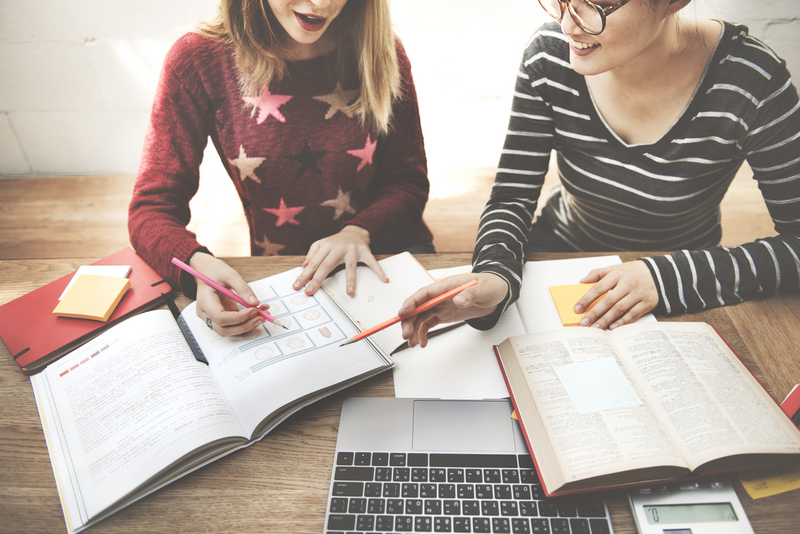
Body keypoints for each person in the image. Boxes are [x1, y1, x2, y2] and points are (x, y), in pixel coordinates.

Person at [400, 0, 800, 347]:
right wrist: (495, 275)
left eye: (597, 4)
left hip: (684, 274)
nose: (568, 23)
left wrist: (662, 278)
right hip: (559, 255)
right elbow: (512, 196)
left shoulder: (753, 81)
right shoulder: (550, 57)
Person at [129, 0, 433, 337]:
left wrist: (358, 231)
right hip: (285, 276)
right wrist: (198, 268)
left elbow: (408, 182)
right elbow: (151, 210)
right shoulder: (198, 59)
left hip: (388, 252)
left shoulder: (380, 50)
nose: (322, 4)